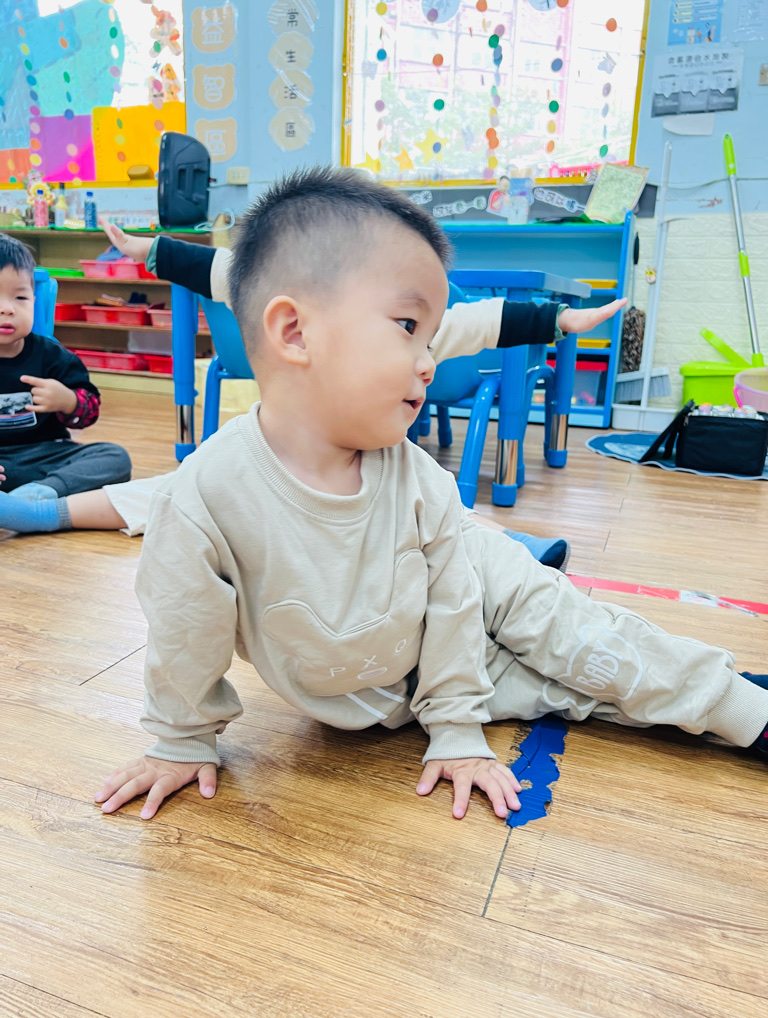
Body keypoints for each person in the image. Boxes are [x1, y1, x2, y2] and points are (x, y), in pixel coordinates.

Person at [93, 167, 768, 824]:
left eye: (432, 335)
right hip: (401, 688)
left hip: (463, 610)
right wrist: (181, 739)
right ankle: (723, 694)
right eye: (409, 328)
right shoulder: (207, 495)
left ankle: (745, 708)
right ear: (295, 332)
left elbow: (453, 602)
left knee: (572, 633)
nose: (428, 361)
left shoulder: (418, 478)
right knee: (578, 687)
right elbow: (184, 628)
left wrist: (456, 730)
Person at [0, 215, 627, 569]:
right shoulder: (297, 305)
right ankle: (43, 511)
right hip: (275, 461)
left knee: (435, 513)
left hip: (358, 483)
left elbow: (489, 320)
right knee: (178, 490)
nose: (421, 358)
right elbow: (224, 270)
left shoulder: (417, 332)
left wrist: (559, 319)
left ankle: (512, 548)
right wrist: (150, 251)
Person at [0, 233, 131, 510]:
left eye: (20, 297)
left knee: (114, 457)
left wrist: (68, 401)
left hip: (46, 457)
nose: (7, 309)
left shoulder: (52, 355)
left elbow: (90, 409)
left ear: (34, 300)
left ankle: (37, 495)